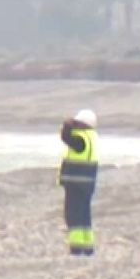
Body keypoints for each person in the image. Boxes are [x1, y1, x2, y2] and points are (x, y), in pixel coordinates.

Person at [58, 109, 99, 257]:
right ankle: (88, 247)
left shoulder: (81, 138)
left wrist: (67, 126)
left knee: (74, 215)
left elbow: (66, 137)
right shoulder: (92, 137)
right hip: (87, 184)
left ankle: (77, 248)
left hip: (76, 183)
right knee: (84, 216)